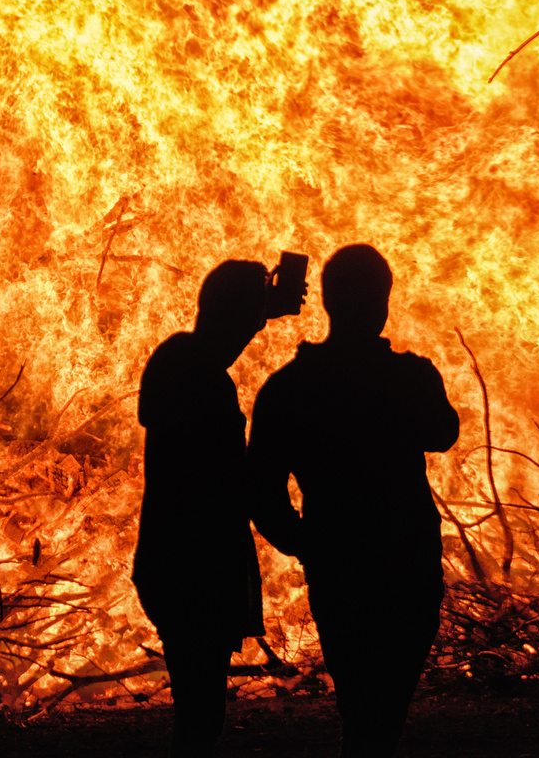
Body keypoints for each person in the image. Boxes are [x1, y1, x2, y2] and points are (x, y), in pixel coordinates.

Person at [246, 244, 459, 758]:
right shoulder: (410, 377)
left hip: (339, 563)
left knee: (360, 700)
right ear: (384, 303)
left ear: (325, 301)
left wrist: (304, 542)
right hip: (406, 560)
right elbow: (444, 432)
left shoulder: (289, 387)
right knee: (385, 707)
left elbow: (261, 489)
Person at [133, 258, 290, 756]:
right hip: (193, 568)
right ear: (232, 315)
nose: (251, 331)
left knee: (198, 710)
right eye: (249, 317)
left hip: (171, 561)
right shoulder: (199, 378)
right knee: (201, 717)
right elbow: (235, 482)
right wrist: (300, 536)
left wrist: (261, 312)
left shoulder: (176, 360)